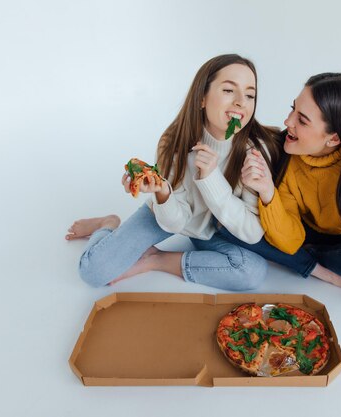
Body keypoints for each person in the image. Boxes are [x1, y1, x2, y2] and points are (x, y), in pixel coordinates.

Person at [65, 54, 281, 291]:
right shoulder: (173, 143)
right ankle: (108, 224)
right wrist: (163, 192)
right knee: (93, 272)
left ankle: (156, 259)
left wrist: (211, 178)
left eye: (250, 95)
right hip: (167, 214)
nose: (241, 102)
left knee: (252, 273)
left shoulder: (255, 153)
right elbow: (174, 221)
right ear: (202, 98)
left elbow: (252, 233)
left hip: (218, 228)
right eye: (229, 90)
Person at [219, 73, 341, 304]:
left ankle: (304, 261)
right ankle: (311, 264)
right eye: (292, 109)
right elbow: (292, 240)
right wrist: (267, 192)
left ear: (334, 139)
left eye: (302, 120)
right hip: (304, 232)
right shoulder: (287, 157)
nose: (287, 122)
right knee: (225, 223)